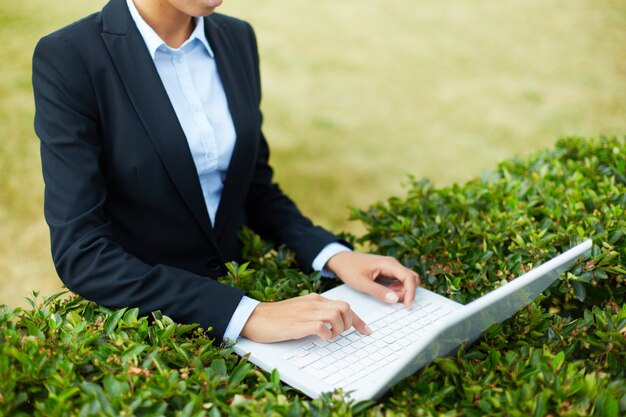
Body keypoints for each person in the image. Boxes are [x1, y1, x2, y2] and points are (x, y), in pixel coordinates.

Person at [32, 0, 420, 345]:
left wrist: (333, 255)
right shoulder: (70, 57)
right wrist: (246, 313)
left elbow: (253, 187)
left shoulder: (237, 38)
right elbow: (82, 254)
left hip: (246, 291)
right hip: (147, 332)